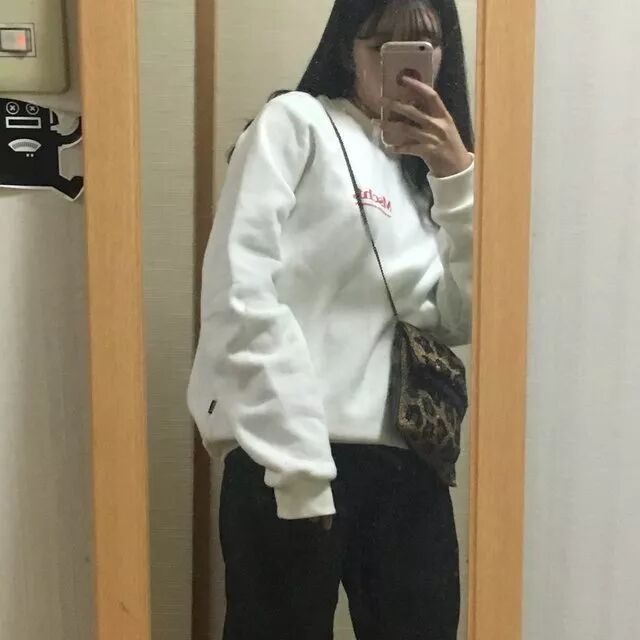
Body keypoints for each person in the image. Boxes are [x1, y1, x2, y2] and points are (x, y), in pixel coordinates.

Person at [188, 0, 474, 637]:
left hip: (409, 468)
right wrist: (298, 472)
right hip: (285, 456)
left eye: (423, 50)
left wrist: (457, 178)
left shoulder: (427, 177)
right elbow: (240, 291)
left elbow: (460, 319)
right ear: (348, 48)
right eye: (383, 47)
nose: (406, 71)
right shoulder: (298, 122)